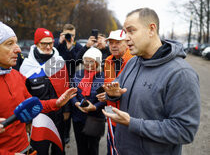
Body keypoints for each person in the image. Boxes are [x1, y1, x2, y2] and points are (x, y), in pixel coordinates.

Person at [0, 21, 77, 155]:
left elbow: (29, 104)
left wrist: (55, 103)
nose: (18, 49)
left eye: (16, 42)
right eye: (9, 44)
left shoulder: (15, 75)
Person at [102, 8, 201, 155]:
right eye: (125, 32)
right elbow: (119, 90)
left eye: (131, 31)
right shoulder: (132, 63)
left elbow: (184, 130)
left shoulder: (181, 74)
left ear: (151, 29)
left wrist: (133, 123)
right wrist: (113, 94)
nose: (126, 37)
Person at [19, 28, 70, 155]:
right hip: (38, 117)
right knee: (40, 151)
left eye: (51, 43)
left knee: (59, 149)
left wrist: (67, 110)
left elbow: (66, 86)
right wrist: (27, 120)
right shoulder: (26, 65)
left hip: (58, 114)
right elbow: (23, 96)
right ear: (36, 44)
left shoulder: (59, 62)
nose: (48, 47)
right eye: (44, 43)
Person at [96, 29, 133, 155]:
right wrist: (106, 95)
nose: (113, 45)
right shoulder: (108, 61)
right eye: (111, 42)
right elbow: (110, 86)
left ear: (126, 43)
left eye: (117, 42)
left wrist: (109, 95)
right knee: (111, 149)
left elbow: (132, 91)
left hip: (128, 117)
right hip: (111, 114)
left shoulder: (134, 60)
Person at [71, 47, 106, 155]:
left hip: (95, 118)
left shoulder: (103, 77)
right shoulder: (78, 74)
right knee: (81, 148)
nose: (87, 63)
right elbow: (71, 92)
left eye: (91, 61)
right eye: (85, 60)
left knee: (93, 148)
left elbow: (105, 98)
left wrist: (95, 106)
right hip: (78, 117)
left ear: (97, 62)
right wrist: (76, 103)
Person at [54, 23, 82, 144]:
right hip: (57, 79)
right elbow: (51, 55)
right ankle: (57, 132)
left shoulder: (77, 46)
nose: (71, 37)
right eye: (68, 35)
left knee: (69, 108)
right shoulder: (56, 43)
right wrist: (60, 43)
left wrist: (70, 48)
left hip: (71, 79)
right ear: (62, 33)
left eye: (73, 35)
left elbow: (76, 62)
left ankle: (66, 134)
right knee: (58, 106)